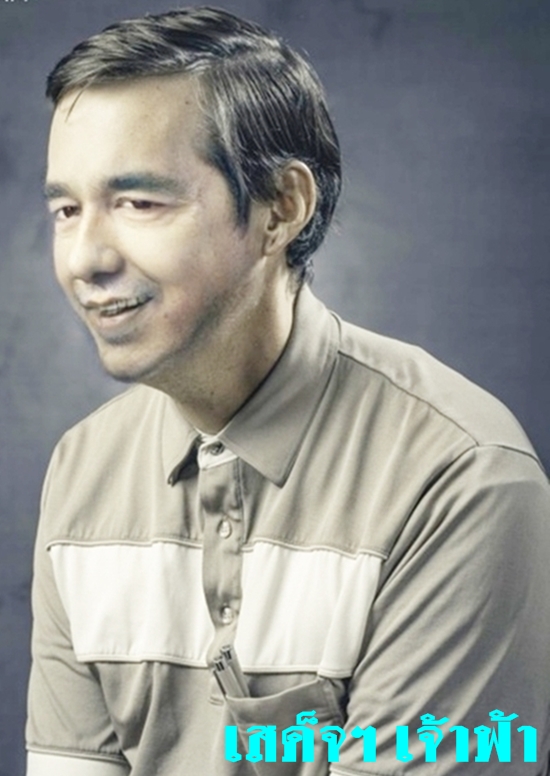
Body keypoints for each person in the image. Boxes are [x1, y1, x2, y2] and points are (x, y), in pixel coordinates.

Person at [26, 7, 550, 776]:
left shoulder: (462, 479)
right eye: (67, 210)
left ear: (281, 208)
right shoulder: (83, 468)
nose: (85, 258)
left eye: (139, 202)